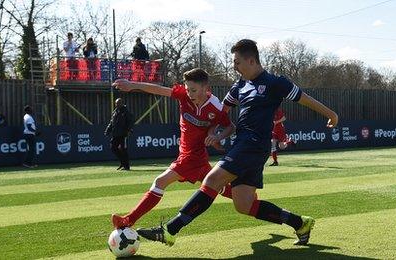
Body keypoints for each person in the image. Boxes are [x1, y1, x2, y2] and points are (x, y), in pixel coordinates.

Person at [136, 39, 338, 247]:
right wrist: (215, 133)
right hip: (243, 144)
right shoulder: (240, 85)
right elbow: (221, 112)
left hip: (254, 145)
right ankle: (300, 223)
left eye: (237, 62)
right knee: (244, 204)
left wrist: (331, 114)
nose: (234, 67)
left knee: (212, 179)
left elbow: (304, 98)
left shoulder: (276, 83)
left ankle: (170, 230)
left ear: (251, 61)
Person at [110, 68, 237, 229]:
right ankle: (250, 201)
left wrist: (218, 137)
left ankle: (128, 220)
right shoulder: (183, 96)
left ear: (206, 88)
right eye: (187, 89)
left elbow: (230, 127)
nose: (189, 93)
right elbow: (158, 89)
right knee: (217, 187)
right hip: (196, 157)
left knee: (160, 182)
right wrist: (132, 85)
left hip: (191, 157)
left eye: (193, 90)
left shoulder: (215, 107)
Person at [105, 98, 134, 171]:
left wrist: (128, 130)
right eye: (116, 103)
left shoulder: (125, 112)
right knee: (113, 148)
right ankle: (122, 163)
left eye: (119, 103)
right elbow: (111, 123)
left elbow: (130, 121)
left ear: (122, 103)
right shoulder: (114, 112)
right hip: (115, 134)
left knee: (123, 149)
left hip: (123, 134)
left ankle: (126, 166)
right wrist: (108, 130)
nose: (117, 105)